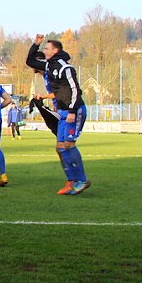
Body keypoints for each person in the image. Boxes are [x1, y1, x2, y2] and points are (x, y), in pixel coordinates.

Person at [26, 35, 91, 195]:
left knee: (68, 145)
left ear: (55, 50)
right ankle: (71, 181)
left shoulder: (65, 68)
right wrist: (36, 44)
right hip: (62, 111)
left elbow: (75, 90)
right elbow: (30, 61)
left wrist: (72, 111)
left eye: (46, 48)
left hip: (73, 111)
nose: (44, 50)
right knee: (60, 148)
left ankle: (81, 180)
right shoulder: (49, 66)